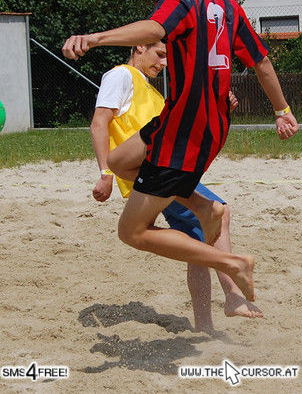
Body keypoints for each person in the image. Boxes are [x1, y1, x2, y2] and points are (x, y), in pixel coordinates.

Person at [63, 0, 299, 303]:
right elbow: (261, 61)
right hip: (203, 124)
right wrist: (282, 110)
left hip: (183, 131)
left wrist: (95, 38)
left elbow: (156, 29)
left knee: (132, 232)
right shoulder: (224, 0)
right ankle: (205, 207)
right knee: (120, 161)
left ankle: (234, 263)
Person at [91, 41, 263, 331]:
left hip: (162, 170)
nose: (163, 63)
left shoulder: (151, 92)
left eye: (167, 58)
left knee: (195, 242)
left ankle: (205, 326)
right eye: (159, 55)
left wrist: (221, 106)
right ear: (138, 47)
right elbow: (99, 123)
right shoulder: (120, 75)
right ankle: (232, 292)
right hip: (151, 175)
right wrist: (105, 172)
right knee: (218, 212)